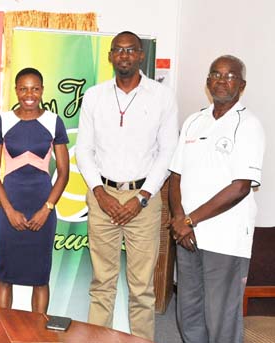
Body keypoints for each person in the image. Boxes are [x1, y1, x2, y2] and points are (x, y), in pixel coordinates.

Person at [75, 31, 178, 340]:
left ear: (140, 55)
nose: (124, 55)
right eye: (118, 50)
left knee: (142, 288)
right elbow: (83, 150)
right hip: (101, 195)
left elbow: (168, 151)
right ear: (110, 56)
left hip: (144, 200)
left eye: (131, 50)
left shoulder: (162, 96)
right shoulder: (94, 95)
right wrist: (99, 192)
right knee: (101, 283)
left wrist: (143, 197)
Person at [169, 55, 264, 343]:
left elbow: (240, 187)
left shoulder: (248, 125)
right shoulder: (194, 121)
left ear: (242, 85)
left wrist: (189, 220)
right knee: (189, 312)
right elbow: (176, 176)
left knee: (221, 317)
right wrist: (178, 220)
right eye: (216, 74)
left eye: (230, 76)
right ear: (208, 81)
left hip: (225, 239)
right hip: (187, 236)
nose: (222, 81)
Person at [0, 68, 69, 313]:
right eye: (23, 88)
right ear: (16, 91)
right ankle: (2, 331)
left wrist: (47, 209)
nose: (29, 94)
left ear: (42, 90)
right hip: (10, 207)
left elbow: (64, 172)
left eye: (35, 88)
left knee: (40, 277)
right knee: (5, 275)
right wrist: (9, 210)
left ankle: (39, 333)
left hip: (43, 208)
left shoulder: (54, 122)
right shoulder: (3, 121)